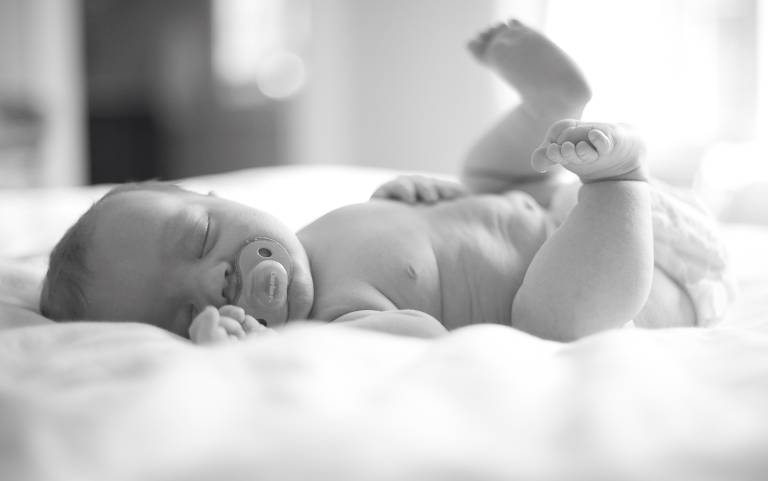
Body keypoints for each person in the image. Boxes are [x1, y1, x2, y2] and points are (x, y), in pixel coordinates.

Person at [39, 20, 729, 343]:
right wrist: (270, 351)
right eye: (184, 315)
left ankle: (550, 111)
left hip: (543, 198)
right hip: (623, 268)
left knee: (481, 173)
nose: (213, 282)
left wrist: (416, 200)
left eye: (200, 237)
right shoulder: (336, 318)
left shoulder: (314, 234)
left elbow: (413, 237)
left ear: (218, 199)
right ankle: (623, 178)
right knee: (552, 322)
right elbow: (422, 337)